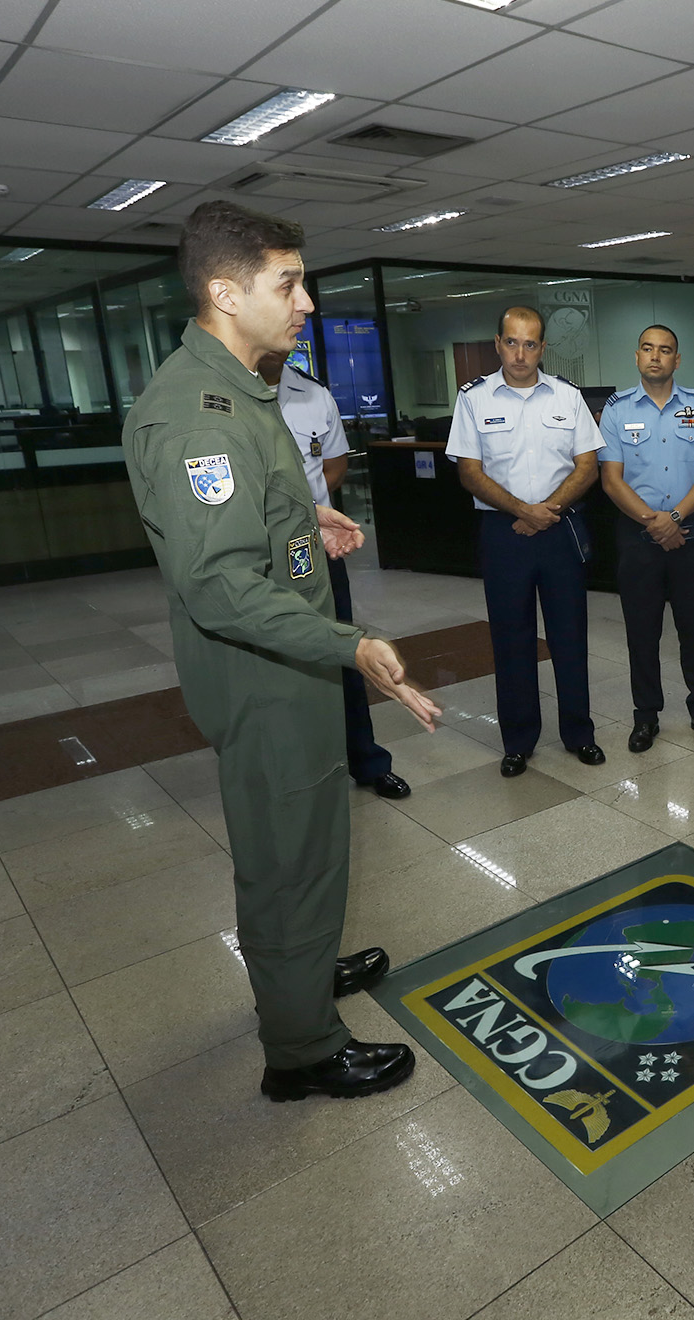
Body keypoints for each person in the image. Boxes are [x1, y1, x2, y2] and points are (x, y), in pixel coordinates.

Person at [122, 200, 439, 1101]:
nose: (306, 302)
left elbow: (252, 513)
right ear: (225, 291)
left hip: (287, 665)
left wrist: (306, 516)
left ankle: (299, 977)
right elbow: (219, 585)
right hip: (264, 675)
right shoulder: (197, 417)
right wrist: (354, 641)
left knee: (308, 845)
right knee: (286, 856)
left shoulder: (243, 387)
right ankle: (300, 1048)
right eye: (288, 283)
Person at [446, 306, 606, 777]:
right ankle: (518, 741)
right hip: (504, 533)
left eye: (530, 343)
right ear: (497, 344)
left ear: (542, 348)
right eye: (512, 342)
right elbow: (469, 472)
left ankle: (579, 734)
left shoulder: (568, 396)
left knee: (569, 636)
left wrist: (546, 512)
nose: (520, 353)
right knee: (511, 638)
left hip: (560, 530)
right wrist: (523, 511)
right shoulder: (474, 400)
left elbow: (588, 466)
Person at [262, 349, 409, 800]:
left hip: (316, 547)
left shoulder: (313, 393)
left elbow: (333, 465)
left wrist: (311, 515)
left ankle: (365, 759)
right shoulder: (222, 395)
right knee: (271, 662)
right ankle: (290, 768)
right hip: (259, 551)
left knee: (343, 650)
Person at [599, 325, 694, 753]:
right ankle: (646, 717)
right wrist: (654, 522)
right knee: (642, 630)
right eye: (649, 349)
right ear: (637, 357)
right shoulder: (615, 409)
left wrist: (673, 518)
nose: (656, 356)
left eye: (666, 350)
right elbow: (611, 480)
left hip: (692, 530)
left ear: (677, 360)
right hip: (638, 535)